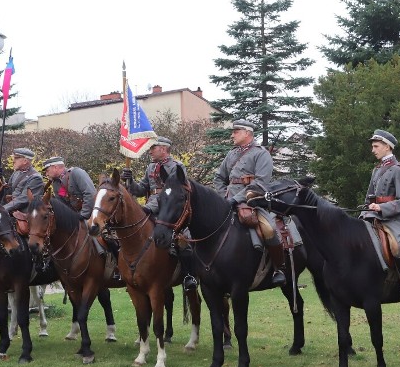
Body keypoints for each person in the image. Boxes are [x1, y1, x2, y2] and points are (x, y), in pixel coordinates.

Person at [214, 120, 286, 286]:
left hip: (252, 200)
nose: (232, 135)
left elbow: (260, 183)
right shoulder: (231, 154)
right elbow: (219, 177)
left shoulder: (261, 154)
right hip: (227, 201)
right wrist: (223, 195)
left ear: (247, 133)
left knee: (268, 229)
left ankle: (278, 268)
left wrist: (236, 198)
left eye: (236, 131)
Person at [121, 137, 198, 291]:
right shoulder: (150, 167)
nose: (150, 151)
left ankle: (189, 276)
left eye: (153, 148)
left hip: (170, 209)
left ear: (163, 149)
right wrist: (130, 181)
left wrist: (150, 206)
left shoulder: (177, 166)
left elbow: (173, 193)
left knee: (184, 240)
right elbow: (140, 189)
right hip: (150, 208)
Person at [359, 129, 400, 305]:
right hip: (373, 216)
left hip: (393, 220)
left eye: (376, 146)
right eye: (373, 146)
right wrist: (365, 210)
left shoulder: (399, 170)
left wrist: (381, 207)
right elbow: (369, 196)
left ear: (387, 147)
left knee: (396, 247)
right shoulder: (377, 170)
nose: (373, 150)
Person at [2, 147, 45, 213]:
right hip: (12, 208)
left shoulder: (36, 178)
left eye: (16, 158)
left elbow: (24, 199)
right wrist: (0, 180)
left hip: (25, 213)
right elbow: (9, 189)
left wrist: (3, 208)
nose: (13, 161)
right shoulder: (16, 172)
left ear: (25, 161)